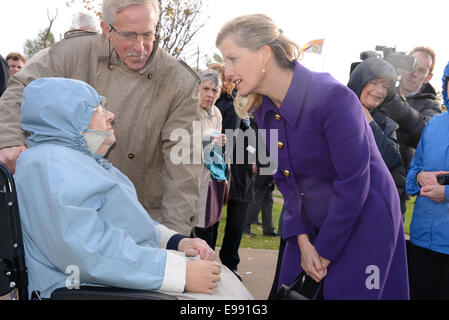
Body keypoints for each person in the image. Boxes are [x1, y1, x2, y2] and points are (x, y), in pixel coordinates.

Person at [216, 14, 409, 299]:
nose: (227, 71)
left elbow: (354, 182)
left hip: (363, 220)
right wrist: (304, 243)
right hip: (309, 226)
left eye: (233, 58)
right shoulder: (263, 110)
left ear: (264, 54)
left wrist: (325, 251)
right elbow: (287, 183)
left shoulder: (333, 97)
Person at [0, 0, 202, 236]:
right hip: (66, 209)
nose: (141, 47)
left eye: (148, 34)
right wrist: (9, 139)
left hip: (141, 215)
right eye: (128, 35)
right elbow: (23, 87)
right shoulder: (71, 54)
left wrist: (175, 236)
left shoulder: (180, 81)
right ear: (106, 29)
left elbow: (184, 163)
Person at [15, 77, 220, 299]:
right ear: (69, 120)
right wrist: (179, 273)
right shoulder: (53, 167)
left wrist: (177, 241)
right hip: (81, 288)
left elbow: (128, 223)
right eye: (98, 109)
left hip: (112, 278)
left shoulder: (79, 160)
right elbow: (85, 251)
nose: (111, 115)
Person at [405, 60, 449, 300]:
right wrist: (420, 176)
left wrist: (446, 193)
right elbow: (415, 169)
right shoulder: (434, 125)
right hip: (422, 240)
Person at [347, 58, 407, 216]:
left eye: (385, 86)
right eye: (374, 82)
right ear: (359, 81)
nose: (380, 91)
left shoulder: (387, 125)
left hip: (366, 210)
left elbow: (390, 159)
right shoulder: (332, 111)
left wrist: (367, 118)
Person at [381, 46, 442, 171]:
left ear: (428, 77)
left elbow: (424, 133)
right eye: (411, 66)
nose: (414, 73)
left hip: (402, 181)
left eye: (421, 70)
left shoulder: (432, 107)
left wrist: (393, 100)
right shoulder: (381, 92)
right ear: (400, 67)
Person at [194, 69, 227, 249]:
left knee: (206, 228)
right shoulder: (188, 110)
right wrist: (208, 140)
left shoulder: (217, 113)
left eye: (214, 91)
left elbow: (213, 150)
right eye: (205, 89)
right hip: (187, 180)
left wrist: (219, 143)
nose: (209, 94)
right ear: (197, 88)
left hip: (208, 181)